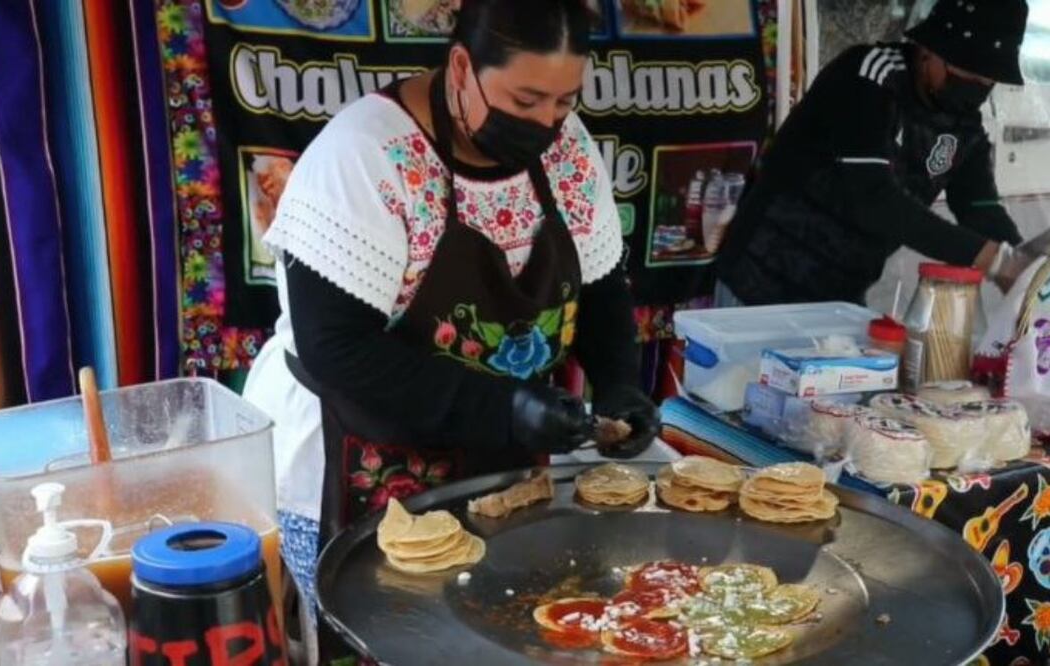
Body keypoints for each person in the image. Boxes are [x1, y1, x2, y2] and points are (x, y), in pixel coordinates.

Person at [241, 0, 658, 655]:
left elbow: (602, 285)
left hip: (497, 458)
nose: (548, 127)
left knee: (502, 638)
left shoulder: (567, 150)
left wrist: (619, 385)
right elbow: (337, 350)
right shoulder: (368, 156)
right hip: (355, 458)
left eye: (563, 103)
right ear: (461, 65)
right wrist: (506, 407)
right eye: (526, 100)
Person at [715, 0, 1031, 306]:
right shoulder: (869, 77)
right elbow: (873, 199)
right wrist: (991, 258)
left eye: (986, 81)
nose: (974, 88)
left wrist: (1024, 262)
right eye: (965, 74)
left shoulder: (963, 125)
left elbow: (979, 208)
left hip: (839, 298)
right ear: (930, 51)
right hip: (759, 280)